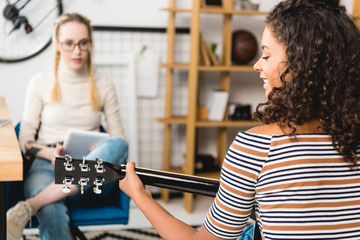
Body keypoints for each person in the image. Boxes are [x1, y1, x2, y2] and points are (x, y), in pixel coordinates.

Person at [119, 0, 360, 239]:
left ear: (301, 64)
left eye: (266, 56)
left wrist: (140, 196)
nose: (257, 65)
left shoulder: (257, 148)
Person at [6, 13, 128, 240]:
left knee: (118, 144)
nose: (77, 51)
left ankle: (29, 205)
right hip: (46, 164)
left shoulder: (104, 85)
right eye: (69, 44)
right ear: (58, 45)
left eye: (83, 43)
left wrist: (98, 151)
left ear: (90, 44)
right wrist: (49, 153)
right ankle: (45, 201)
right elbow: (25, 140)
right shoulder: (40, 82)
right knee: (51, 211)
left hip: (91, 171)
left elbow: (118, 139)